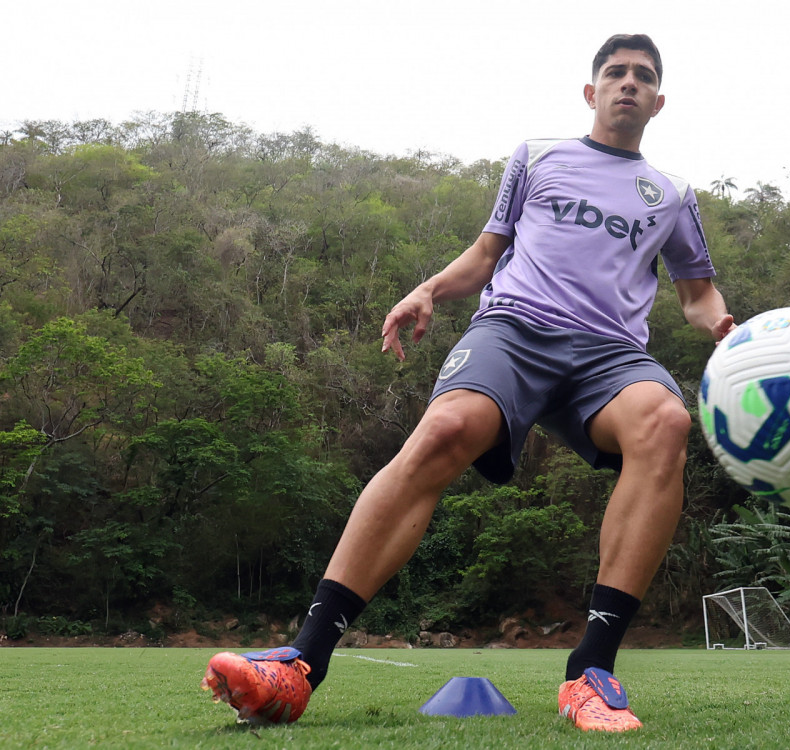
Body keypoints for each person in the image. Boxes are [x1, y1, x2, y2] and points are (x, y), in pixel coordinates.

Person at [202, 32, 734, 732]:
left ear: (658, 101)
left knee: (666, 422)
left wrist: (727, 327)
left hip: (608, 354)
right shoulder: (537, 156)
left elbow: (697, 294)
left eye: (641, 76)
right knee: (447, 429)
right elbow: (488, 254)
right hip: (514, 330)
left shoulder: (670, 194)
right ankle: (301, 665)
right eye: (615, 73)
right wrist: (428, 290)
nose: (627, 83)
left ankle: (591, 673)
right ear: (591, 91)